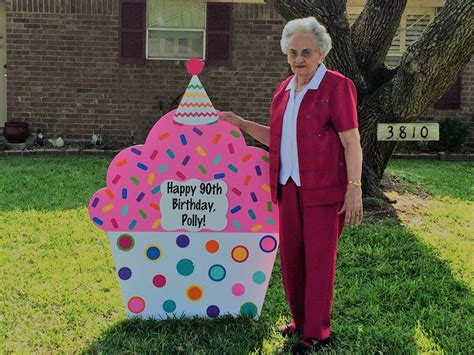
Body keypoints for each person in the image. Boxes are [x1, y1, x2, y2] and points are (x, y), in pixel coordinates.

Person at [220, 17, 363, 354]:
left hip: (325, 191)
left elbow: (351, 140)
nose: (299, 59)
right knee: (293, 262)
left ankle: (318, 333)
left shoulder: (336, 87)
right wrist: (240, 124)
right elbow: (278, 139)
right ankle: (301, 323)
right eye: (293, 52)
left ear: (322, 53)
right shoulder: (284, 90)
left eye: (307, 52)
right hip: (288, 187)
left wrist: (354, 187)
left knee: (319, 262)